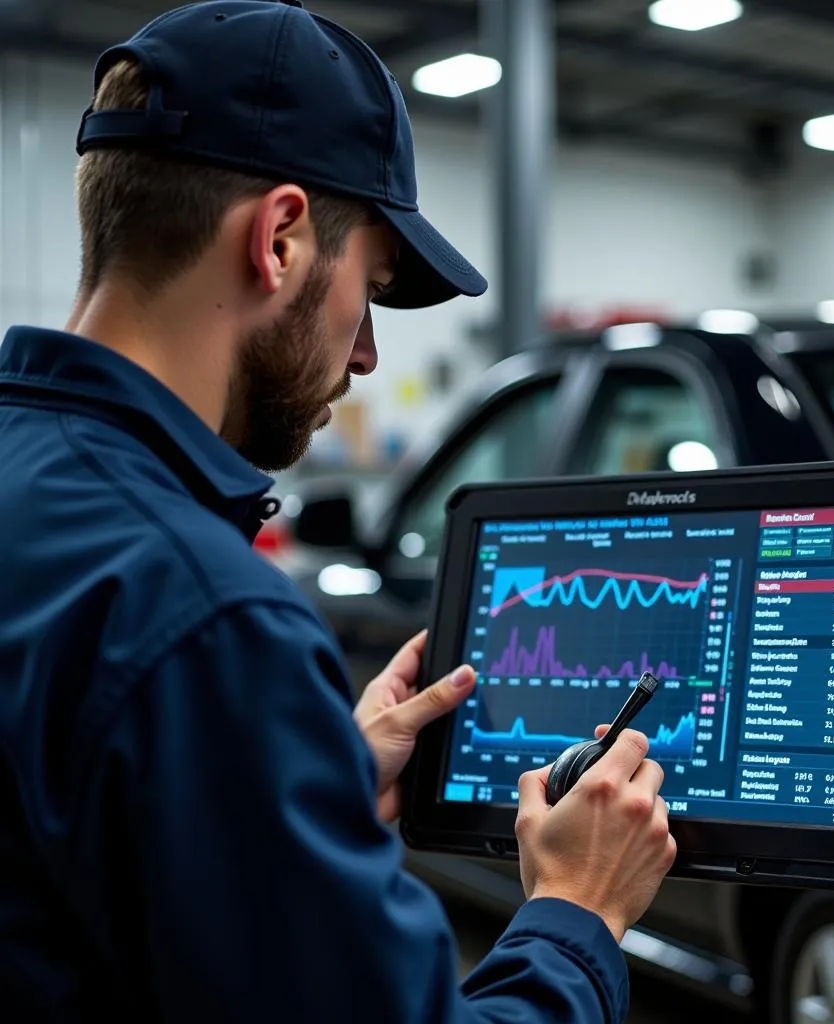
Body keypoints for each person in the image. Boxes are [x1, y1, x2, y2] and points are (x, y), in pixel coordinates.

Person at [0, 2, 676, 1021]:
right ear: (278, 239)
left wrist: (293, 788)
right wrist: (575, 914)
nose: (365, 356)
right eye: (367, 288)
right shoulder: (204, 619)